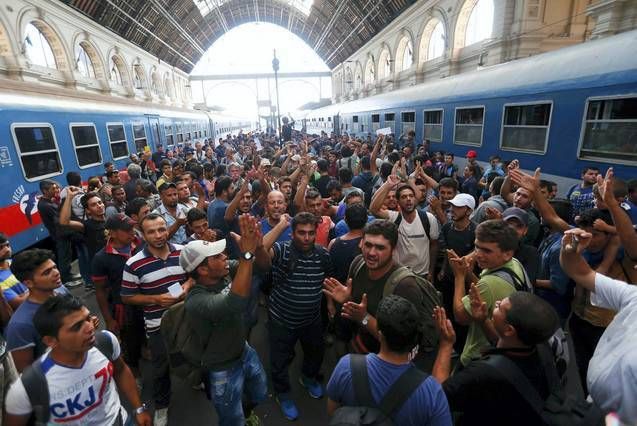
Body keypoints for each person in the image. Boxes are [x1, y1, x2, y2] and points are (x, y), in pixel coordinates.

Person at [4, 294, 151, 426]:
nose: (89, 328)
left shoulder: (105, 342)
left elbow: (120, 370)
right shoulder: (29, 385)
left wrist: (138, 408)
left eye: (87, 318)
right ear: (50, 340)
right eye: (77, 327)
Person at [182, 215, 268, 426]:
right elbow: (235, 302)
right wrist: (246, 254)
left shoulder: (225, 271)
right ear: (202, 269)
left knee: (259, 392)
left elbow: (263, 266)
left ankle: (248, 414)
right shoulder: (196, 300)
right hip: (222, 367)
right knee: (232, 419)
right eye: (217, 256)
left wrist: (257, 247)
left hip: (244, 351)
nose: (224, 256)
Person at [432, 291, 560, 426]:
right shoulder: (541, 347)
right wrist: (482, 320)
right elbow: (503, 341)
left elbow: (435, 398)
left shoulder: (482, 373)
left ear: (509, 330)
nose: (496, 303)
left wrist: (445, 345)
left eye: (500, 308)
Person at [323, 220, 436, 370]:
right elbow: (355, 309)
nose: (371, 253)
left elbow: (398, 342)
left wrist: (364, 318)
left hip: (387, 366)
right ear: (361, 243)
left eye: (380, 247)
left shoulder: (405, 286)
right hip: (359, 348)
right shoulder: (358, 264)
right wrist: (346, 301)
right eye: (368, 245)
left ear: (393, 249)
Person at [327, 295, 452, 426]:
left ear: (380, 336)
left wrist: (363, 317)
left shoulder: (346, 366)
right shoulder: (431, 393)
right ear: (414, 338)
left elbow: (333, 413)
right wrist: (446, 345)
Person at [121, 213, 193, 426]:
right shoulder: (134, 263)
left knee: (193, 353)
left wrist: (186, 287)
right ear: (142, 235)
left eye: (162, 229)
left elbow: (194, 276)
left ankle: (197, 380)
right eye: (151, 231)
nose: (158, 235)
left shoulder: (182, 252)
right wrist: (154, 299)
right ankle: (162, 405)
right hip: (157, 325)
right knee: (160, 367)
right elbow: (127, 296)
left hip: (187, 318)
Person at [261, 212, 334, 421]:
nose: (307, 237)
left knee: (315, 353)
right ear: (292, 234)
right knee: (279, 361)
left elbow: (326, 281)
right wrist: (281, 225)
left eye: (311, 233)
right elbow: (261, 251)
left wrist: (329, 303)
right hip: (282, 319)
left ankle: (308, 378)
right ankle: (283, 394)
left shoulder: (322, 254)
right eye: (301, 233)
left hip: (311, 319)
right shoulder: (282, 251)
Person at [447, 220, 524, 368]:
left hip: (480, 356)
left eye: (487, 251)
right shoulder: (514, 264)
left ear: (507, 253)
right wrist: (469, 273)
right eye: (477, 247)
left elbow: (461, 316)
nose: (478, 255)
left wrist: (459, 277)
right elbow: (483, 290)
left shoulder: (489, 284)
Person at [91, 214, 144, 377]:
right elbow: (100, 290)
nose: (132, 233)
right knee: (129, 343)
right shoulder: (101, 258)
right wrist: (109, 319)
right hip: (123, 308)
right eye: (126, 230)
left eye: (132, 228)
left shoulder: (140, 244)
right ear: (112, 233)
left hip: (147, 301)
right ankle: (133, 374)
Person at [5, 249, 69, 372]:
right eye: (47, 272)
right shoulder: (20, 325)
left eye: (54, 267)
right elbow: (26, 371)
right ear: (28, 283)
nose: (56, 273)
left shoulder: (62, 290)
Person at [370, 175, 439, 280]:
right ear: (398, 201)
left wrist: (431, 271)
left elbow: (434, 245)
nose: (408, 199)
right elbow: (374, 209)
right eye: (403, 197)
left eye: (411, 196)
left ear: (415, 199)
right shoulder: (395, 217)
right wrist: (388, 185)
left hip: (422, 275)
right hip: (399, 275)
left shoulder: (428, 219)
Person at [37, 180, 81, 288]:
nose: (57, 190)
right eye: (53, 188)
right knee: (64, 257)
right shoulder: (46, 205)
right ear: (45, 191)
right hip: (59, 234)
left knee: (67, 254)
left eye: (57, 188)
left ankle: (69, 274)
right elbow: (60, 218)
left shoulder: (48, 202)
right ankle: (66, 280)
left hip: (61, 234)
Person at [0, 235, 29, 310]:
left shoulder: (17, 262)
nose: (7, 249)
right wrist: (38, 287)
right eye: (0, 248)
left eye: (7, 245)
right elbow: (19, 303)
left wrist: (24, 294)